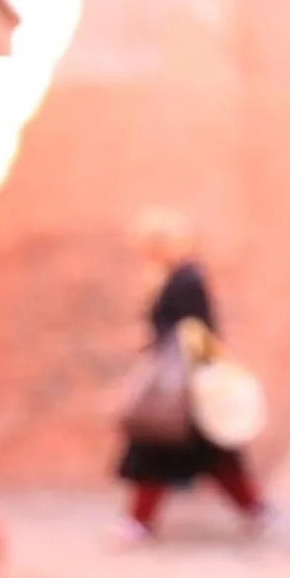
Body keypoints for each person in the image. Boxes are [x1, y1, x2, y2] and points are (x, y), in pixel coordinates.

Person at [115, 209, 268, 541]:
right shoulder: (178, 278)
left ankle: (141, 521)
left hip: (182, 385)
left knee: (174, 448)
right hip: (180, 383)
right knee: (198, 451)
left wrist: (199, 374)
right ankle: (253, 508)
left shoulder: (186, 281)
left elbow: (198, 332)